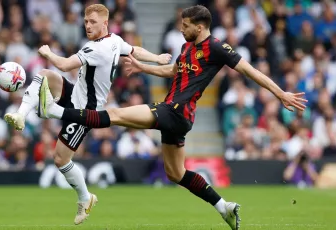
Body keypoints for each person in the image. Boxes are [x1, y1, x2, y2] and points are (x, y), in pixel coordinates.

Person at [37, 5, 308, 230]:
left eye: (186, 25)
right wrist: (143, 66)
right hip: (178, 118)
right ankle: (223, 206)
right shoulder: (188, 48)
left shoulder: (217, 48)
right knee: (175, 173)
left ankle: (55, 111)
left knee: (115, 115)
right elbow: (173, 72)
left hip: (174, 111)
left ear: (199, 27)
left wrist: (280, 93)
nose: (181, 29)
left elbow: (250, 71)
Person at [3, 4, 171, 225]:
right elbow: (133, 50)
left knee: (61, 160)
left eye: (93, 22)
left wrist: (47, 52)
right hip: (75, 93)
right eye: (86, 22)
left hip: (86, 111)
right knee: (43, 75)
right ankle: (22, 114)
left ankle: (85, 197)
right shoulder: (114, 41)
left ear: (105, 23)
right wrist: (157, 58)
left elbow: (63, 65)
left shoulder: (96, 49)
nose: (88, 25)